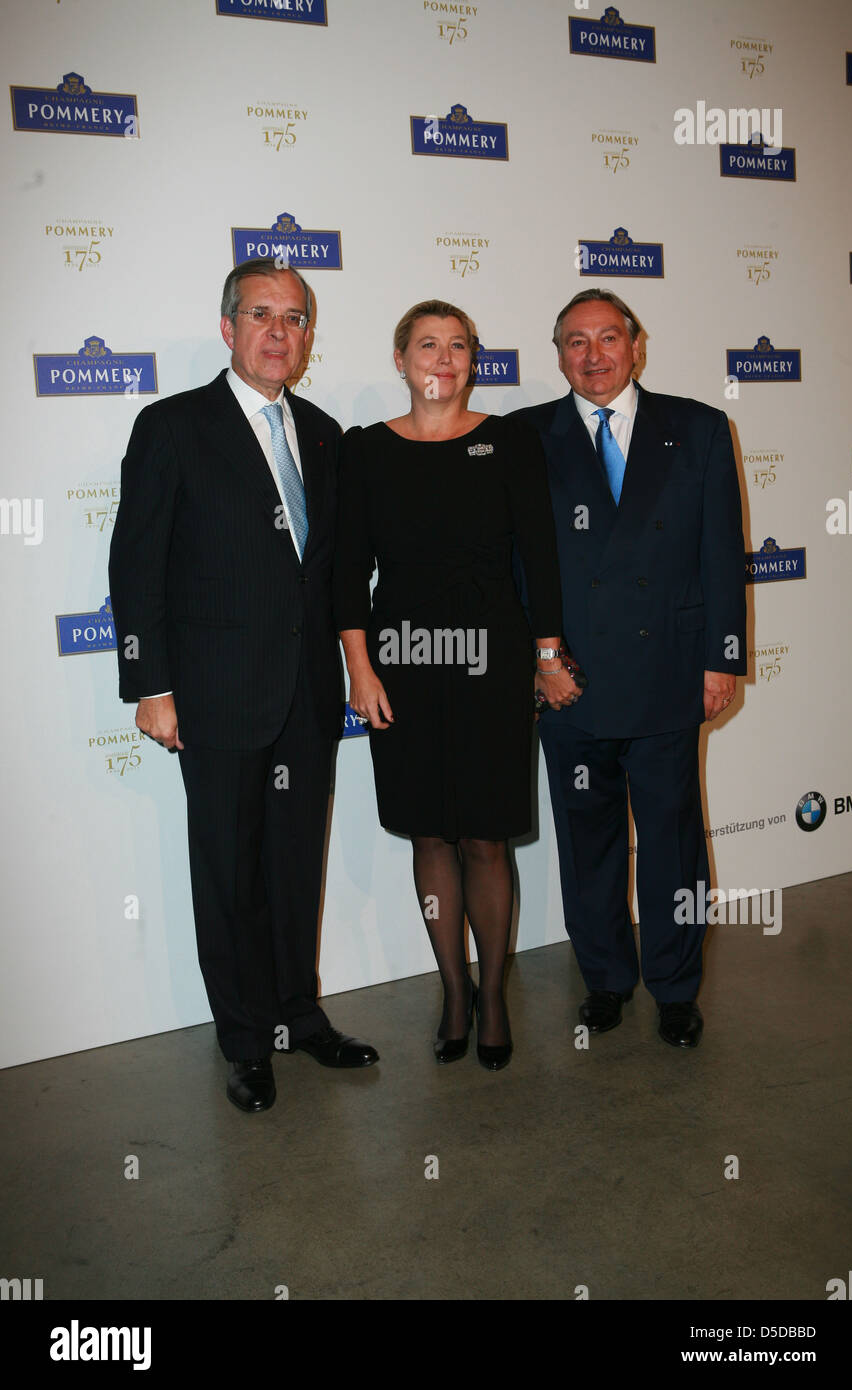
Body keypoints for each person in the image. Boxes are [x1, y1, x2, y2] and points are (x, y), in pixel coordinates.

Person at [108, 257, 378, 1113]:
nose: (278, 332)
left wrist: (352, 667)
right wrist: (152, 685)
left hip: (306, 693)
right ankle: (245, 1041)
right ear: (228, 328)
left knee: (296, 863)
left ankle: (299, 1016)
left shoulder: (327, 433)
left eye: (294, 318)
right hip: (216, 695)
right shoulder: (173, 426)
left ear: (307, 337)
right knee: (228, 870)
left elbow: (332, 574)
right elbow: (136, 562)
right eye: (261, 314)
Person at [333, 300, 573, 1070]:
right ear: (400, 359)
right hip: (401, 660)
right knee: (430, 831)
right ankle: (454, 990)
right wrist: (359, 667)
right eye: (428, 345)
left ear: (475, 361)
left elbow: (540, 554)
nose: (444, 358)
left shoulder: (510, 441)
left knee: (485, 835)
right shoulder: (365, 451)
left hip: (493, 660)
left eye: (458, 346)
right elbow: (344, 572)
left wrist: (545, 653)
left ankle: (495, 997)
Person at [510, 289, 746, 1048]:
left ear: (635, 345)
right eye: (575, 342)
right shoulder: (525, 436)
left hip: (669, 673)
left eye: (607, 338)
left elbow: (721, 556)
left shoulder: (700, 429)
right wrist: (535, 661)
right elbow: (509, 564)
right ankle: (607, 979)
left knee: (674, 841)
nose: (594, 355)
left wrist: (721, 659)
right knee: (588, 843)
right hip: (567, 680)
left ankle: (676, 988)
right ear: (557, 354)